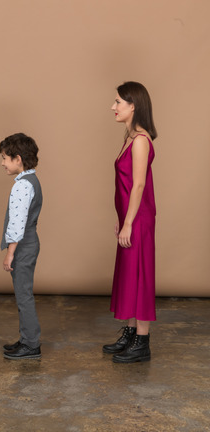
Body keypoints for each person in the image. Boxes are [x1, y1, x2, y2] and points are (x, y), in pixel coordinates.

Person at [103, 81, 157, 363]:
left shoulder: (140, 141)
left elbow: (137, 186)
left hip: (139, 218)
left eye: (118, 102)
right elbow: (124, 187)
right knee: (130, 274)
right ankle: (132, 333)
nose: (113, 107)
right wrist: (121, 219)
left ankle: (142, 342)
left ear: (133, 105)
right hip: (130, 217)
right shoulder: (129, 137)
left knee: (141, 275)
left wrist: (128, 223)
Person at [0, 133, 43, 360]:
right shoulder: (31, 180)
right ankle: (26, 339)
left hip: (23, 245)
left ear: (18, 158)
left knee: (23, 295)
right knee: (22, 293)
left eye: (5, 158)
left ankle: (31, 344)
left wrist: (10, 253)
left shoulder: (22, 186)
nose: (3, 163)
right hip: (30, 241)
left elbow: (17, 223)